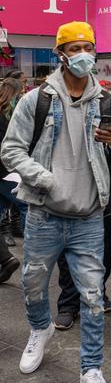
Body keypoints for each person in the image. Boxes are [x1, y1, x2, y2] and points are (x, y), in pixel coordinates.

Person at [0, 21, 111, 383]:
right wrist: (45, 178)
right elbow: (10, 150)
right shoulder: (35, 101)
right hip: (44, 215)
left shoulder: (106, 103)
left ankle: (90, 372)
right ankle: (40, 328)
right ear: (60, 53)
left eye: (88, 46)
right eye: (74, 47)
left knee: (94, 298)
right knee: (32, 283)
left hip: (90, 218)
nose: (83, 55)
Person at [0, 77, 22, 283]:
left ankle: (6, 259)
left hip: (6, 171)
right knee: (27, 207)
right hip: (9, 172)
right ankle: (6, 259)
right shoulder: (10, 113)